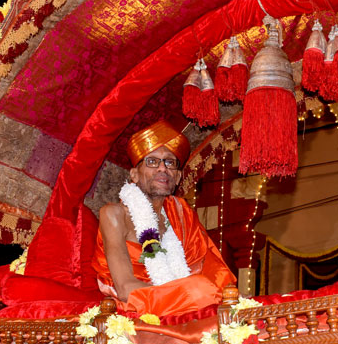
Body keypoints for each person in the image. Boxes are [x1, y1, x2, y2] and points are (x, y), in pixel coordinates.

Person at [91, 120, 235, 317]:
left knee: (223, 294)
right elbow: (124, 288)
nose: (162, 168)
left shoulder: (183, 214)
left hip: (188, 302)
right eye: (152, 161)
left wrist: (217, 294)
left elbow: (213, 270)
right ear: (134, 174)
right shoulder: (114, 214)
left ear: (177, 177)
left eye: (170, 162)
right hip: (135, 309)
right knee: (199, 288)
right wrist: (188, 293)